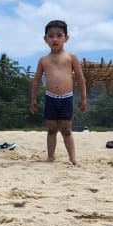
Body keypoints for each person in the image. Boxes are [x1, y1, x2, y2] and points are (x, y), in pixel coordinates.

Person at [29, 19, 87, 165]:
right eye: (51, 36)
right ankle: (50, 156)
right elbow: (36, 80)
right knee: (51, 129)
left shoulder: (71, 57)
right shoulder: (43, 60)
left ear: (66, 38)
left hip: (66, 98)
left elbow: (80, 78)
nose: (55, 39)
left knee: (66, 129)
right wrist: (33, 99)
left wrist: (84, 98)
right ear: (45, 39)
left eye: (59, 35)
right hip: (50, 98)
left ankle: (73, 158)